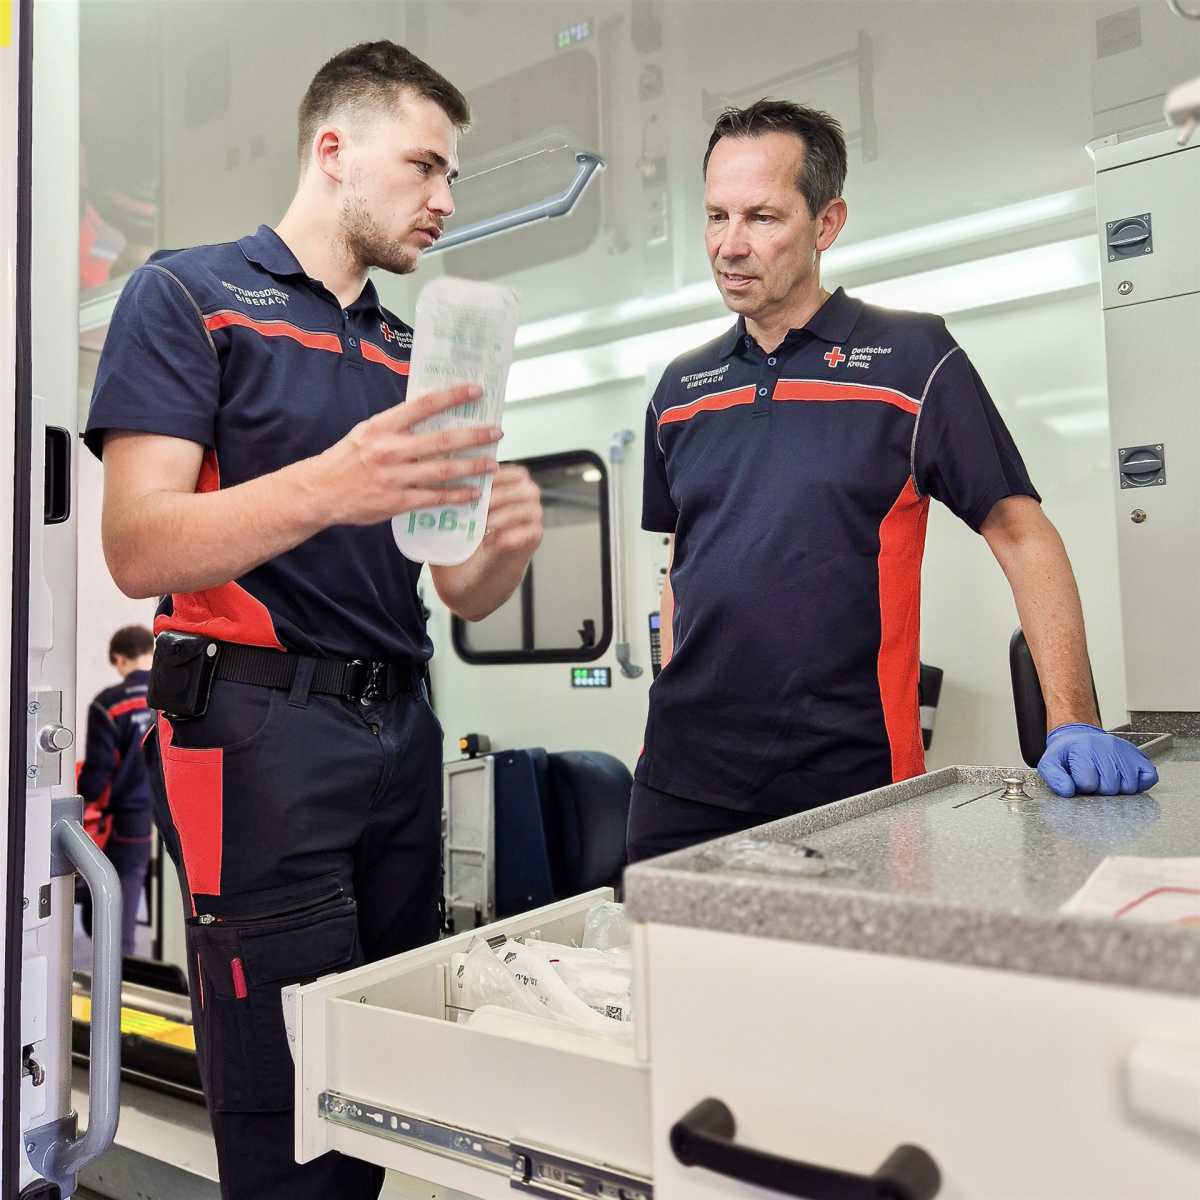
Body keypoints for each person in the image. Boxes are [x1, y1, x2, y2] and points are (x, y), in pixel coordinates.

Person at [84, 41, 543, 1200]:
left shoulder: (409, 354)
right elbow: (137, 543)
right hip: (260, 737)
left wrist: (498, 550)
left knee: (376, 1086)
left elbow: (455, 590)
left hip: (400, 734)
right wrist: (334, 484)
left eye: (452, 176)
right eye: (425, 165)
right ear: (334, 150)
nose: (445, 199)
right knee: (288, 1117)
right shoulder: (187, 297)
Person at [629, 100, 1157, 863]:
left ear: (827, 222)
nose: (730, 245)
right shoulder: (680, 389)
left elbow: (1022, 535)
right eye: (716, 216)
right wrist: (664, 697)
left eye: (762, 217)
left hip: (850, 777)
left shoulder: (913, 359)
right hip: (680, 781)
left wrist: (1072, 717)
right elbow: (682, 562)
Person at [77, 624, 155, 956]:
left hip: (120, 820)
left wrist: (82, 806)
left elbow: (98, 771)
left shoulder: (108, 705)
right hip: (165, 813)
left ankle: (116, 978)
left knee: (111, 900)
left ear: (119, 660)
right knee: (131, 890)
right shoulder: (173, 695)